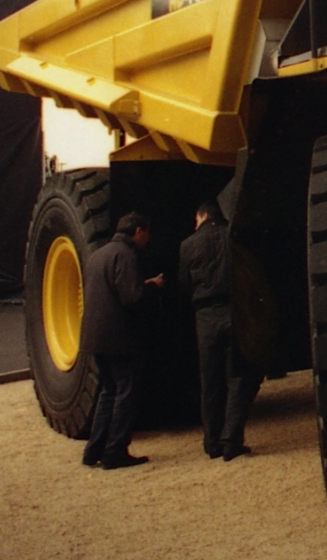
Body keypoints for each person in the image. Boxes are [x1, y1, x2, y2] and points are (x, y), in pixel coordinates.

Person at [179, 200, 263, 461]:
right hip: (234, 310)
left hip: (204, 315)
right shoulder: (232, 237)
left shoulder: (187, 245)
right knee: (239, 376)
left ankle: (212, 442)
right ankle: (231, 440)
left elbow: (184, 284)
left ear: (202, 215)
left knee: (210, 382)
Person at [80, 213, 164, 470]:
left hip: (95, 336)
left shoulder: (98, 255)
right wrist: (152, 286)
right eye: (147, 232)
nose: (149, 237)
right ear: (138, 231)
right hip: (118, 338)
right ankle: (115, 451)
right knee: (126, 392)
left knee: (109, 391)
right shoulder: (127, 255)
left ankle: (93, 450)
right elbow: (132, 297)